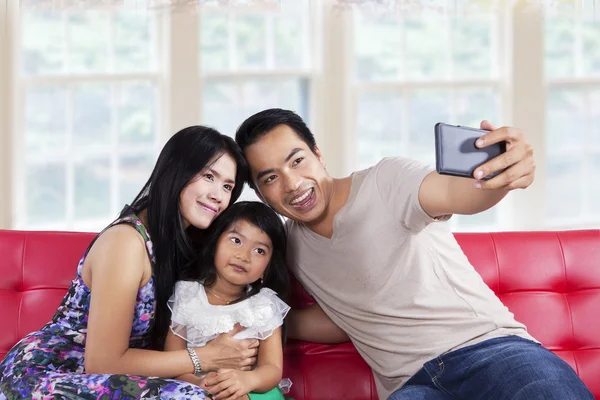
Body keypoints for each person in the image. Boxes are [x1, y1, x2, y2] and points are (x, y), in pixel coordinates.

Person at [234, 109, 594, 400]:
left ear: (317, 154)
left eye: (296, 161)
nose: (292, 184)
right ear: (261, 194)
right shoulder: (288, 246)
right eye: (270, 178)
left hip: (490, 351)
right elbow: (346, 317)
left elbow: (456, 193)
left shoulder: (387, 181)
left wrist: (499, 175)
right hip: (411, 386)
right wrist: (254, 322)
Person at [0, 126, 259, 400]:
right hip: (46, 375)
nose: (218, 195)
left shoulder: (184, 244)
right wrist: (206, 357)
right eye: (209, 176)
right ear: (175, 171)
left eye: (228, 186)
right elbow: (103, 362)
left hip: (110, 377)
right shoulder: (126, 242)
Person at [165, 201, 292, 400]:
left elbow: (272, 368)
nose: (244, 256)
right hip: (196, 388)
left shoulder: (263, 305)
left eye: (259, 251)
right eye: (236, 240)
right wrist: (199, 383)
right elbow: (172, 360)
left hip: (253, 390)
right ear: (215, 243)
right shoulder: (188, 295)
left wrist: (247, 381)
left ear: (267, 268)